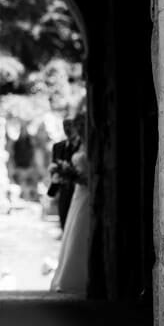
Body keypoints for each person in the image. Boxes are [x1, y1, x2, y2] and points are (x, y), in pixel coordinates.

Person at [50, 115, 91, 294]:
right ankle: (67, 274)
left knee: (80, 230)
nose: (75, 128)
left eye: (80, 125)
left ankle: (81, 276)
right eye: (75, 125)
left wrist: (76, 176)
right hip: (73, 193)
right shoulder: (63, 146)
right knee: (68, 229)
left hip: (85, 192)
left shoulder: (88, 144)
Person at [47, 118, 80, 230]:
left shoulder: (83, 146)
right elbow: (53, 168)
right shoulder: (58, 147)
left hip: (78, 191)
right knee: (64, 225)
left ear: (76, 126)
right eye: (65, 125)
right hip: (63, 194)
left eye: (70, 125)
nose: (67, 128)